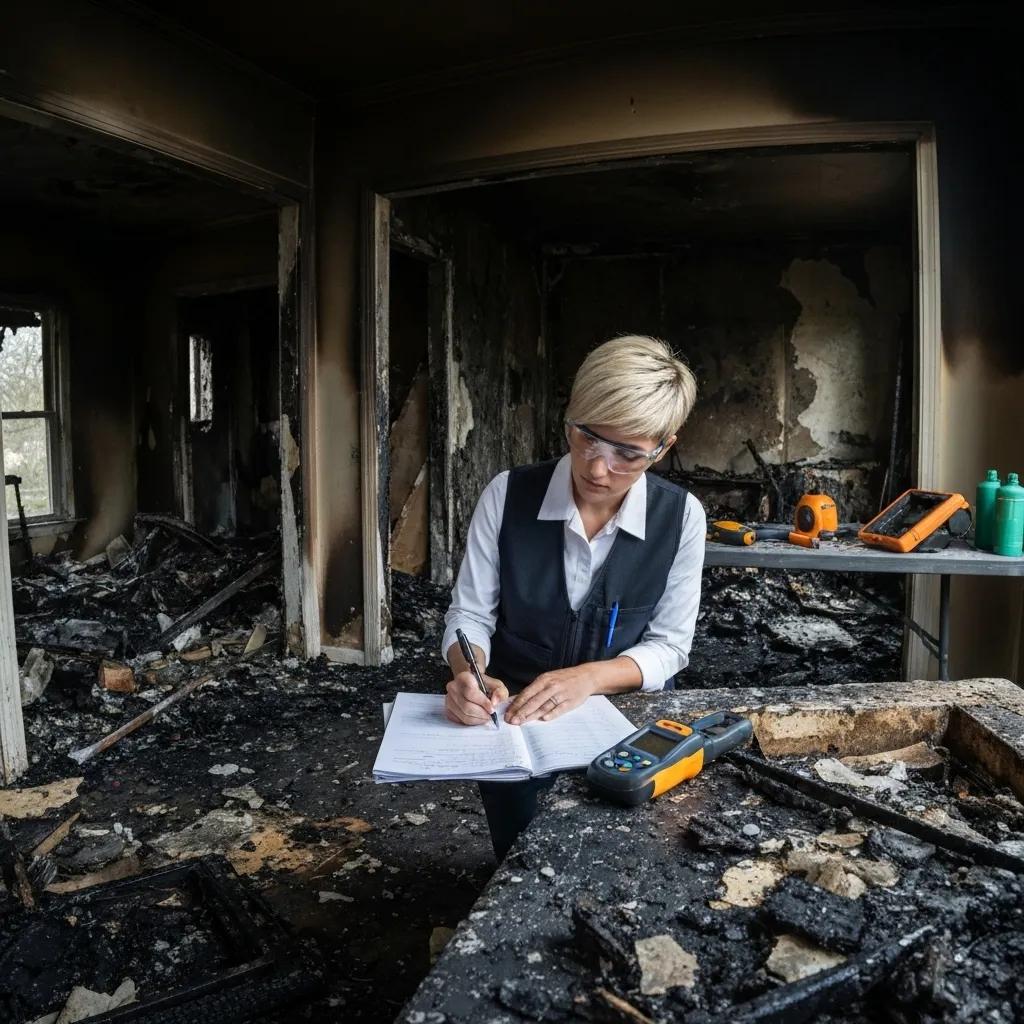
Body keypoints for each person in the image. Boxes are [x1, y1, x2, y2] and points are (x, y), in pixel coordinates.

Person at [441, 334, 706, 859]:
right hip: (514, 725)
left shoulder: (681, 518)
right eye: (587, 437)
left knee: (617, 862)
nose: (597, 467)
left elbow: (671, 646)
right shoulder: (507, 495)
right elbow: (470, 613)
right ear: (571, 416)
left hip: (628, 731)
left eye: (628, 453)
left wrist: (589, 678)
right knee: (516, 859)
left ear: (663, 447)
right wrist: (465, 672)